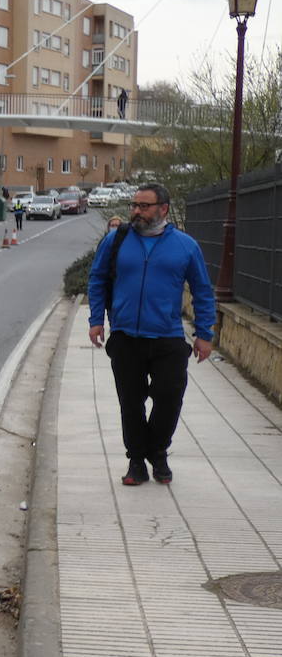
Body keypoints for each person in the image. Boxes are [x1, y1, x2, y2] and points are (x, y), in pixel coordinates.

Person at [87, 183, 216, 487]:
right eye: (134, 205)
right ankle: (136, 461)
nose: (136, 212)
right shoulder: (116, 241)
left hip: (167, 336)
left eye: (144, 206)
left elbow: (202, 291)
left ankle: (157, 451)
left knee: (170, 397)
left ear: (163, 209)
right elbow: (97, 278)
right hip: (125, 335)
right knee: (130, 402)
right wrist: (96, 320)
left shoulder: (185, 246)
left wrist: (204, 333)